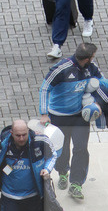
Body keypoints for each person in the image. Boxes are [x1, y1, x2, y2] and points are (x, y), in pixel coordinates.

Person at [39, 43, 102, 201]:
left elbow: (102, 85)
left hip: (80, 115)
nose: (93, 59)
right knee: (62, 148)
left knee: (81, 148)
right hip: (58, 116)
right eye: (93, 57)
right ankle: (62, 172)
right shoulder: (61, 69)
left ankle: (76, 184)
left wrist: (98, 104)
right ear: (87, 58)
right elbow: (45, 87)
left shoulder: (92, 68)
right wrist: (44, 113)